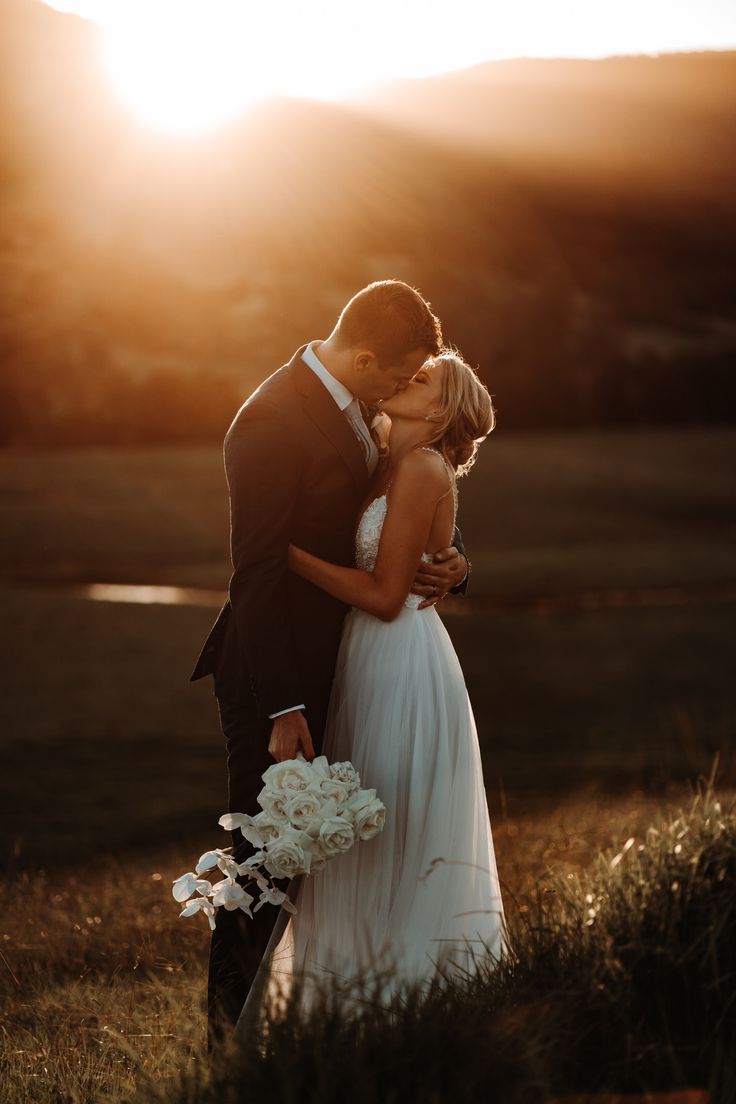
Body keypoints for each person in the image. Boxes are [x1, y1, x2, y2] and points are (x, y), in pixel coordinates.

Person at [188, 280, 470, 1048]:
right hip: (268, 680)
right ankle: (223, 1049)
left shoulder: (361, 415)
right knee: (263, 862)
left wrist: (452, 566)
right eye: (399, 374)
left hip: (339, 670)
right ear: (368, 356)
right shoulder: (269, 420)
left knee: (308, 862)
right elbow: (255, 573)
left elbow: (392, 521)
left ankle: (311, 1026)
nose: (401, 389)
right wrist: (283, 709)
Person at [236, 349, 506, 1030]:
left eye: (422, 380)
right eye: (405, 369)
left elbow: (387, 595)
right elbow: (420, 541)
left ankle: (400, 1011)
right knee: (357, 835)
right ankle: (345, 1005)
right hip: (360, 657)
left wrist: (288, 555)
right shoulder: (387, 453)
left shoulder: (418, 465)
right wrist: (455, 556)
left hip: (397, 656)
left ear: (441, 409)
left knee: (386, 832)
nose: (405, 380)